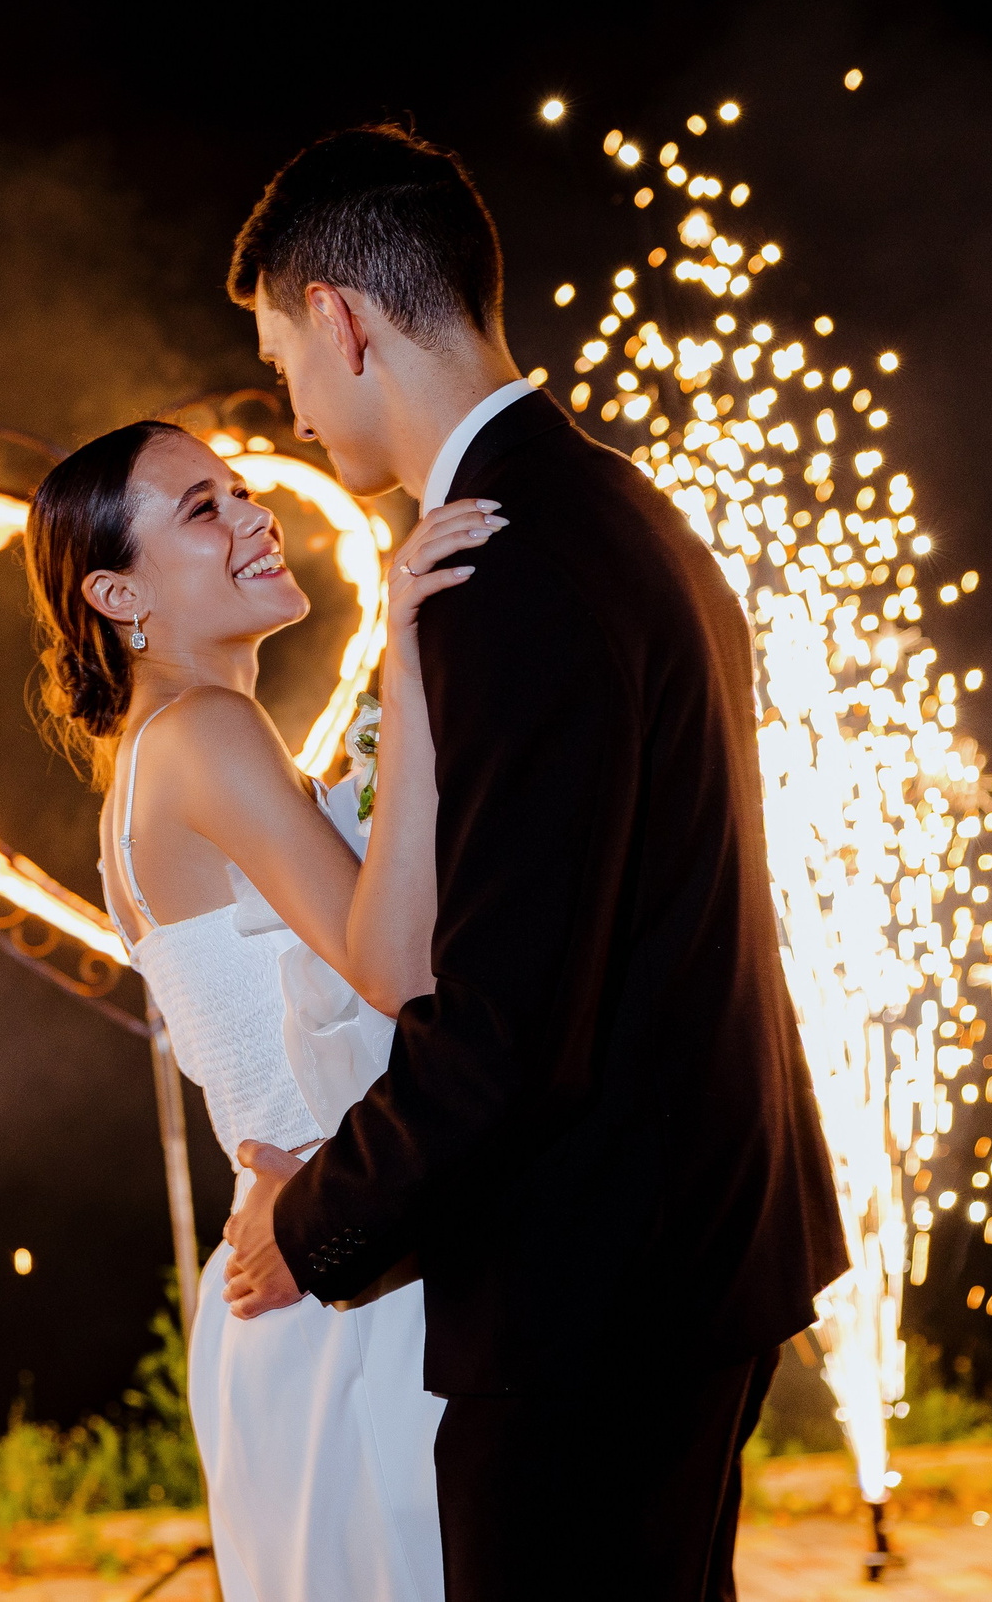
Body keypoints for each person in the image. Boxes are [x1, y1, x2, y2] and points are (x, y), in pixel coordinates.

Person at [217, 123, 849, 1601]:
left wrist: (309, 1228)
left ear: (340, 319)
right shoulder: (614, 504)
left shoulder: (502, 564)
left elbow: (507, 1026)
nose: (291, 411)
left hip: (592, 1285)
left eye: (281, 359)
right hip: (691, 1241)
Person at [26, 411, 499, 1601]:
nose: (253, 516)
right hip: (343, 1269)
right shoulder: (204, 731)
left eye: (241, 490)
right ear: (117, 597)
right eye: (204, 509)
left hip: (298, 1252)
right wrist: (404, 654)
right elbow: (392, 966)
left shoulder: (160, 751)